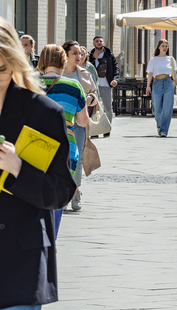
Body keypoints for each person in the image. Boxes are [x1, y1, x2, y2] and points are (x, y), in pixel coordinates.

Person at [0, 18, 76, 310]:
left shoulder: (42, 112)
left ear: (14, 62)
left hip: (22, 255)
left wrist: (18, 169)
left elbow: (62, 190)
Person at [38, 44, 90, 237]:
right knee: (58, 191)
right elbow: (82, 121)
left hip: (35, 141)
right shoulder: (74, 86)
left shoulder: (29, 83)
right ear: (63, 61)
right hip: (65, 143)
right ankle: (52, 235)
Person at [63, 40, 98, 211]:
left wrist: (90, 99)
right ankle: (62, 191)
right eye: (74, 53)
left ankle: (76, 190)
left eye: (80, 53)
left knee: (76, 158)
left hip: (78, 122)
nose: (79, 56)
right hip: (59, 121)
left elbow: (93, 93)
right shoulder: (57, 73)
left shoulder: (84, 73)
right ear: (66, 55)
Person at [145, 39, 177, 137]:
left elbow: (175, 74)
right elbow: (150, 74)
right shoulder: (153, 59)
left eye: (166, 46)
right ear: (159, 47)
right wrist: (148, 86)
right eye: (163, 46)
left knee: (167, 108)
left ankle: (164, 130)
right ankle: (159, 124)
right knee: (157, 109)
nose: (165, 48)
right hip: (157, 83)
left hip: (168, 83)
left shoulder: (171, 59)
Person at [88, 36, 118, 138]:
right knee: (93, 107)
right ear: (93, 44)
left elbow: (116, 68)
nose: (99, 43)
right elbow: (86, 68)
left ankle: (106, 129)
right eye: (97, 41)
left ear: (103, 42)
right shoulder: (90, 55)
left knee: (108, 108)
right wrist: (93, 58)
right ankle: (94, 131)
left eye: (100, 41)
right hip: (93, 86)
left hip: (106, 85)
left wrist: (115, 79)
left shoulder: (109, 55)